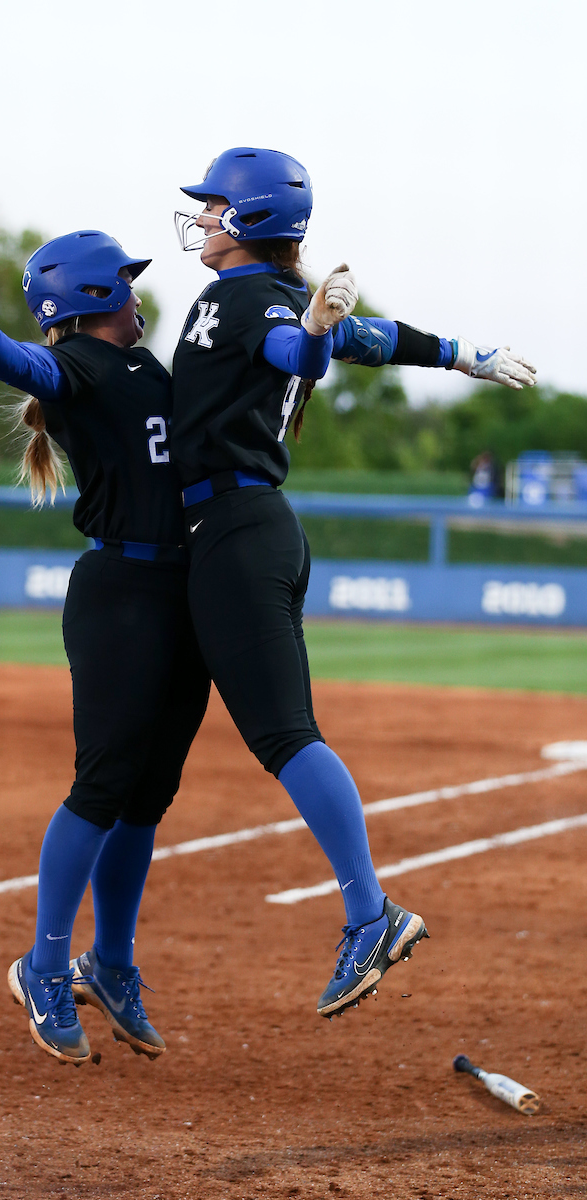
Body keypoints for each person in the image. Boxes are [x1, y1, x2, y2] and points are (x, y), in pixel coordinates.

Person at [171, 147, 537, 1019]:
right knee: (192, 736)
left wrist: (314, 333)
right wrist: (462, 353)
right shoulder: (259, 293)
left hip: (237, 532)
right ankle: (111, 955)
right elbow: (358, 339)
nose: (204, 217)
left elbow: (299, 351)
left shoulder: (255, 299)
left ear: (254, 218)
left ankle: (371, 915)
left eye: (217, 205)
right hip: (240, 531)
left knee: (287, 736)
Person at [0, 232, 210, 1064]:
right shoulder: (78, 366)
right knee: (103, 785)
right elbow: (23, 365)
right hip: (121, 597)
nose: (137, 293)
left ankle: (109, 964)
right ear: (89, 296)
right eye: (124, 283)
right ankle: (43, 966)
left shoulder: (143, 366)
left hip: (179, 593)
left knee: (147, 797)